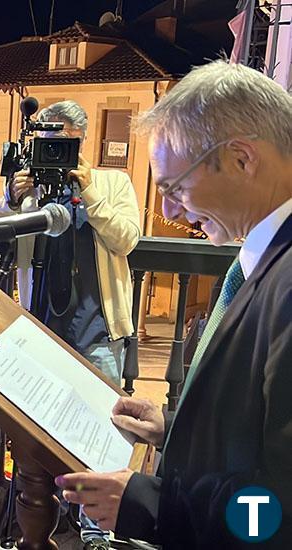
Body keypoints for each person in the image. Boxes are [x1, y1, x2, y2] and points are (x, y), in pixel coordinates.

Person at [56, 61, 292, 548]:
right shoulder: (266, 256)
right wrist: (178, 431)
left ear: (243, 159)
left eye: (174, 187)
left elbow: (280, 510)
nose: (167, 211)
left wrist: (154, 506)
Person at [0, 99, 141, 548]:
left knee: (97, 443)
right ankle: (41, 531)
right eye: (46, 143)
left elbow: (126, 238)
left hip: (97, 337)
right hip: (42, 336)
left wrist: (88, 191)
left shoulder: (111, 183)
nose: (54, 152)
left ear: (81, 141)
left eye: (63, 143)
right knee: (36, 449)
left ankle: (96, 535)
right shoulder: (30, 193)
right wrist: (11, 200)